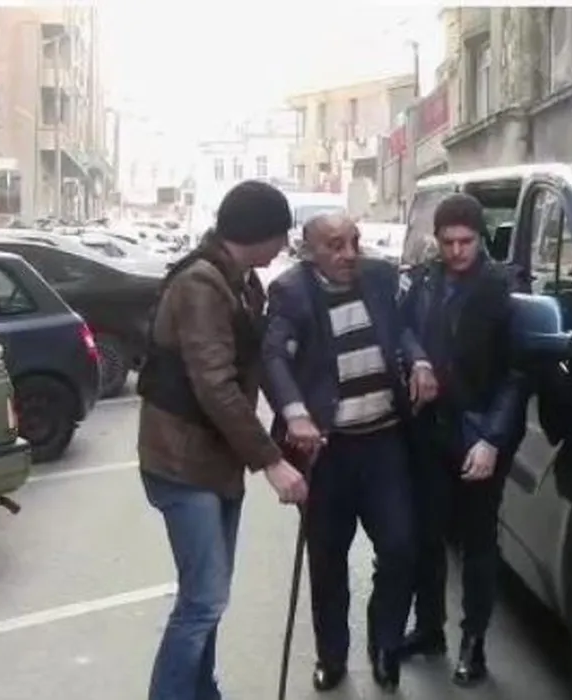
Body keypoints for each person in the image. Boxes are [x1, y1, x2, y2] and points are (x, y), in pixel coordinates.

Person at [135, 180, 309, 700]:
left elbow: (256, 362)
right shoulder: (202, 285)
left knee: (209, 597)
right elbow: (215, 385)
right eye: (279, 234)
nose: (283, 245)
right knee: (203, 600)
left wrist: (293, 416)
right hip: (182, 463)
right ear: (257, 232)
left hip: (214, 461)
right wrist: (271, 461)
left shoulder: (240, 281)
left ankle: (200, 691)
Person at [261, 214, 438, 693]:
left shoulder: (378, 277)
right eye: (336, 245)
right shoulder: (291, 291)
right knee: (327, 559)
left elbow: (399, 329)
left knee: (400, 547)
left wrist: (419, 360)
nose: (350, 254)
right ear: (309, 250)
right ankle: (332, 656)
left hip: (383, 443)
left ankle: (385, 644)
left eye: (354, 242)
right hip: (326, 449)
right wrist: (295, 413)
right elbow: (273, 358)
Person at [397, 193, 527, 686]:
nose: (456, 251)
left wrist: (492, 439)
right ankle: (430, 628)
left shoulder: (504, 288)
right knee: (427, 536)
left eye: (465, 242)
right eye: (447, 241)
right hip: (431, 427)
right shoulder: (426, 279)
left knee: (477, 544)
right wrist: (418, 359)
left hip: (480, 431)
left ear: (480, 238)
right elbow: (402, 328)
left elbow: (517, 375)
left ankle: (474, 643)